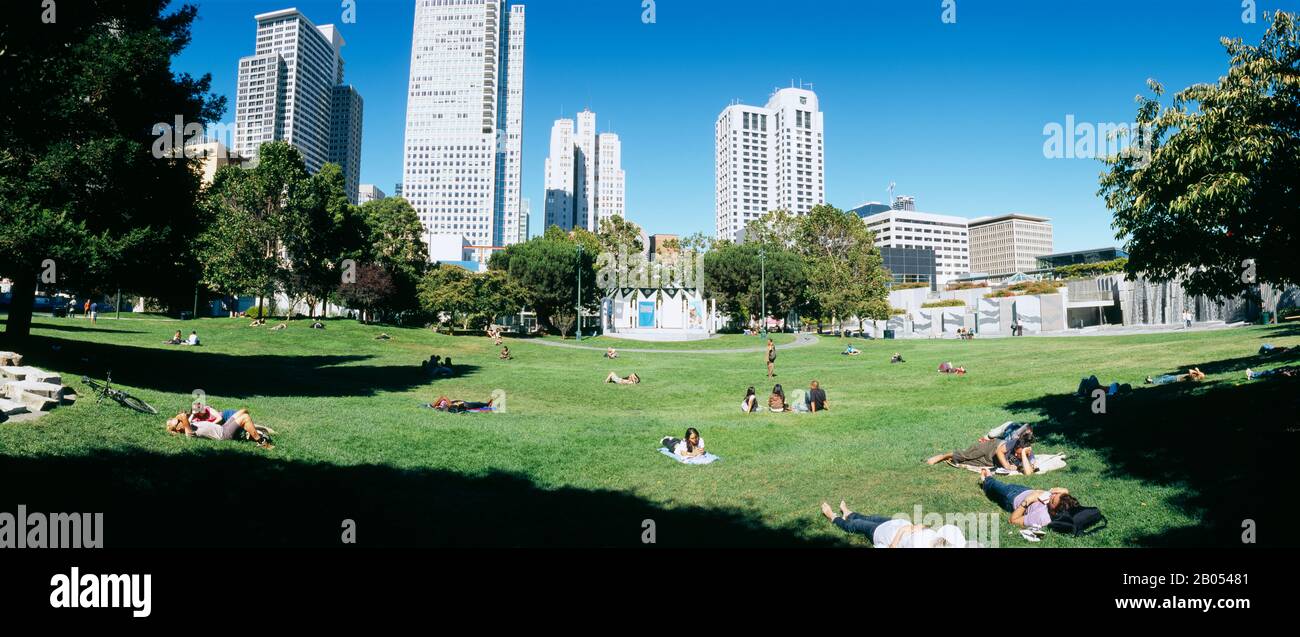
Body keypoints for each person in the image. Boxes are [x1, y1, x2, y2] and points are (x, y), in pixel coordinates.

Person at [820, 501, 968, 548]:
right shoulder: (944, 540)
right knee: (868, 517)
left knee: (856, 525)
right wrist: (920, 526)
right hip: (896, 522)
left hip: (883, 534)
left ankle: (832, 516)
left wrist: (902, 532)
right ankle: (847, 513)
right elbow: (928, 529)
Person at [978, 469, 1078, 529]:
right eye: (1055, 495)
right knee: (1001, 487)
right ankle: (989, 483)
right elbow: (1064, 491)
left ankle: (986, 479)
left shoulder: (1041, 518)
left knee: (996, 486)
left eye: (1052, 501)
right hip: (1025, 490)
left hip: (1012, 498)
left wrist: (1028, 500)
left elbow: (1012, 520)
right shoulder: (1065, 503)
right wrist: (1061, 492)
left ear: (1054, 513)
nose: (1051, 495)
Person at [925, 427, 1037, 474]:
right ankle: (942, 456)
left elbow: (1028, 473)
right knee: (967, 455)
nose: (1017, 455)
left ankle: (951, 457)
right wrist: (1007, 466)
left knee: (967, 462)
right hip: (992, 447)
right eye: (1016, 452)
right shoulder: (1013, 443)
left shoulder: (1028, 455)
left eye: (1019, 453)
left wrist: (1022, 454)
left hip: (993, 462)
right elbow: (999, 451)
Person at [166, 402, 273, 449]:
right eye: (178, 422)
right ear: (177, 429)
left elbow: (186, 417)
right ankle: (261, 442)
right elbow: (184, 418)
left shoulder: (190, 424)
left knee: (243, 411)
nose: (180, 421)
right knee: (245, 417)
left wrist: (179, 419)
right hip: (223, 434)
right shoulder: (188, 433)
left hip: (223, 427)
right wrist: (179, 419)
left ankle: (252, 431)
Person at [427, 396, 494, 413]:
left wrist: (450, 404)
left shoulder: (435, 405)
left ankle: (487, 404)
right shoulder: (442, 410)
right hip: (460, 407)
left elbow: (443, 397)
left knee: (474, 404)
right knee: (474, 405)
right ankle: (487, 404)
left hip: (458, 404)